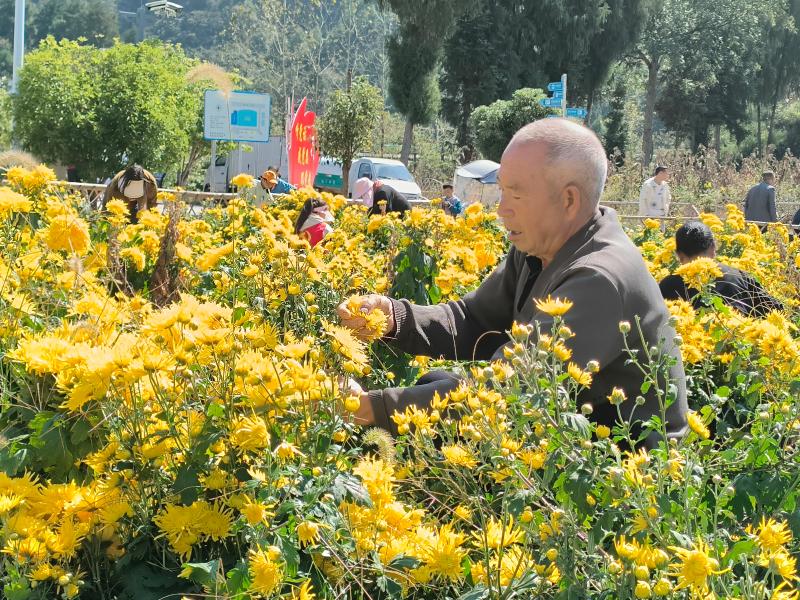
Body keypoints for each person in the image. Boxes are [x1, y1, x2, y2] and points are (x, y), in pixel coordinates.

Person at [338, 119, 688, 448]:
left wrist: (372, 408)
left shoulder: (600, 278)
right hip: (564, 435)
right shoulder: (540, 248)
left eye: (515, 195)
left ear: (568, 200)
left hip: (621, 474)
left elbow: (512, 389)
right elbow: (475, 319)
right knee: (435, 386)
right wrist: (394, 317)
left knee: (439, 425)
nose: (501, 210)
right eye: (501, 191)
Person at [659, 221, 783, 317]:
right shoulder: (739, 277)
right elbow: (776, 309)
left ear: (679, 255)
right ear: (713, 248)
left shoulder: (666, 286)